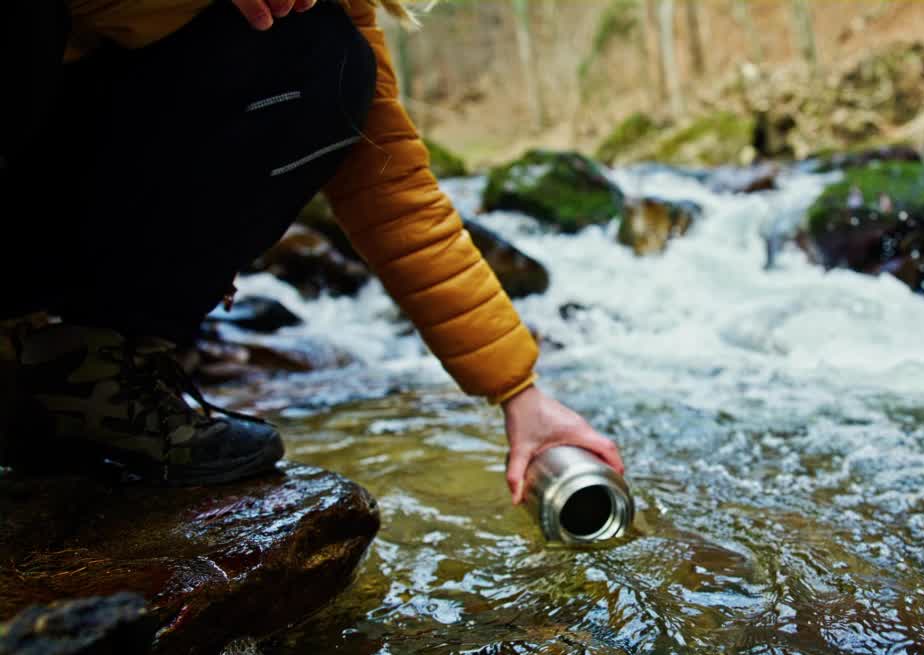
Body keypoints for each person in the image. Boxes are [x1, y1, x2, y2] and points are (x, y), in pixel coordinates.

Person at [0, 0, 623, 504]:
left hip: (71, 178)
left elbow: (395, 194)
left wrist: (519, 393)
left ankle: (82, 373)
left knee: (329, 63)